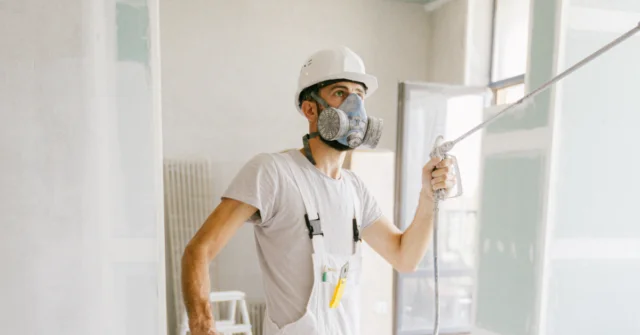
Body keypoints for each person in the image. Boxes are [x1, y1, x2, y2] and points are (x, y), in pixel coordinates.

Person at [181, 46, 457, 335]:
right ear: (310, 109)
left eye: (359, 96)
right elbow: (198, 251)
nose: (355, 108)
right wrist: (202, 326)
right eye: (340, 93)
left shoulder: (355, 189)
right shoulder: (273, 172)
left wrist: (428, 197)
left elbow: (405, 257)